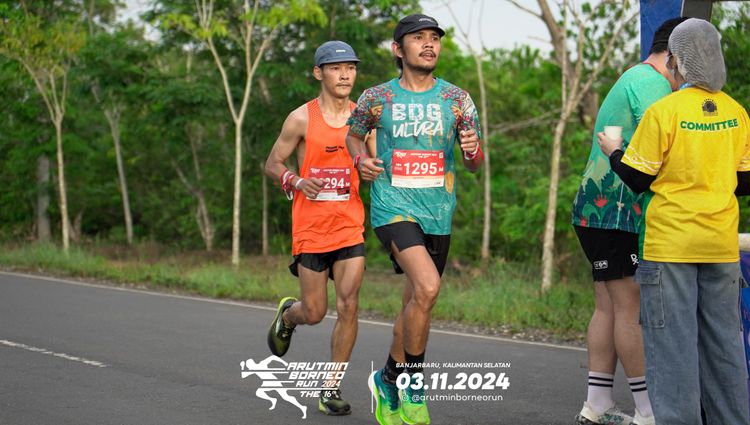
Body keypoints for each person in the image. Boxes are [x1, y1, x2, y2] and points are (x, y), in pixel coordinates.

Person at [598, 18, 750, 425]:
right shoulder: (736, 112)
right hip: (720, 247)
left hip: (670, 247)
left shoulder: (664, 112)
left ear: (677, 60)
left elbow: (637, 178)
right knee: (725, 348)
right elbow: (745, 182)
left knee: (672, 350)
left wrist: (614, 152)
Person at [345, 13, 483, 425]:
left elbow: (474, 162)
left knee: (415, 304)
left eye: (434, 38)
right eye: (418, 37)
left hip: (438, 212)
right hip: (392, 206)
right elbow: (353, 135)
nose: (428, 44)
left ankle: (387, 378)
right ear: (398, 48)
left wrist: (472, 149)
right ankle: (413, 384)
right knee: (428, 286)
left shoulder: (457, 99)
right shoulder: (376, 98)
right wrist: (361, 159)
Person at [570, 17, 687, 425]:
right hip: (615, 210)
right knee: (629, 307)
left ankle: (597, 404)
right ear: (673, 55)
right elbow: (669, 149)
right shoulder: (652, 84)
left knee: (608, 306)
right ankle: (648, 411)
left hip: (594, 210)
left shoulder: (636, 76)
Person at [264, 40, 373, 417]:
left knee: (349, 304)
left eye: (351, 68)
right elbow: (273, 163)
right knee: (314, 311)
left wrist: (371, 168)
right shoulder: (300, 118)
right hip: (310, 228)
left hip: (349, 226)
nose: (345, 75)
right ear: (318, 73)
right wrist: (296, 181)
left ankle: (330, 387)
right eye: (336, 68)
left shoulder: (363, 118)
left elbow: (375, 160)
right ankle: (288, 315)